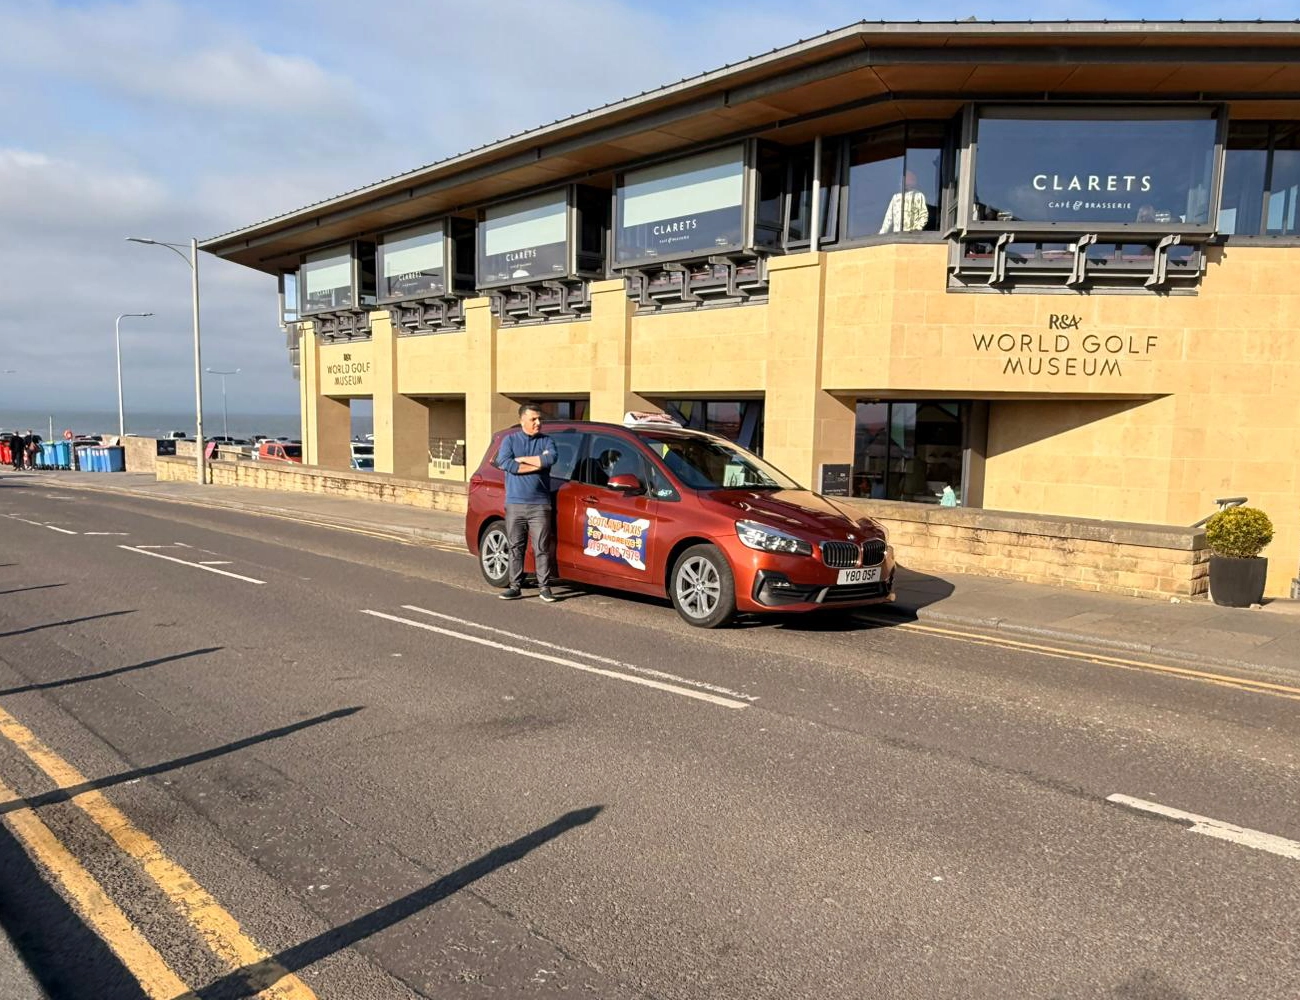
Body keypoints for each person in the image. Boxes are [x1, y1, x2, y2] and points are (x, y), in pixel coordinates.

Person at [494, 403, 559, 602]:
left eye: (540, 419)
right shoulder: (510, 440)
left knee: (541, 547)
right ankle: (515, 586)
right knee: (516, 546)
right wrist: (536, 463)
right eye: (533, 419)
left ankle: (544, 587)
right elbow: (507, 464)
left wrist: (522, 460)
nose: (538, 423)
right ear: (523, 420)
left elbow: (550, 460)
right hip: (515, 503)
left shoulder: (547, 441)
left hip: (540, 504)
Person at [879, 169, 929, 234]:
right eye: (901, 180)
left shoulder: (918, 195)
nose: (901, 182)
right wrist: (882, 234)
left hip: (911, 235)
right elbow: (888, 218)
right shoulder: (896, 197)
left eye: (905, 180)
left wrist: (917, 229)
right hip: (897, 235)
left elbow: (924, 214)